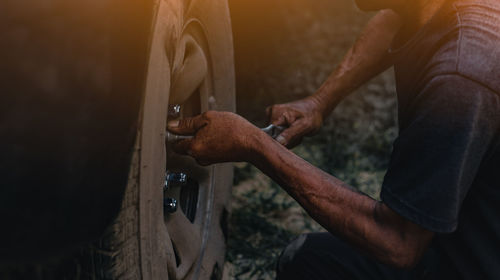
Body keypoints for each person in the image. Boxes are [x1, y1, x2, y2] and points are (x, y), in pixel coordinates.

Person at [167, 0, 500, 278]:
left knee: (309, 264)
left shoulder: (461, 80)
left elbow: (397, 243)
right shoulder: (445, 9)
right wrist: (319, 102)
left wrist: (256, 146)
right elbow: (392, 21)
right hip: (467, 234)